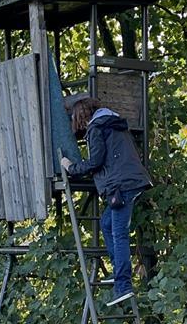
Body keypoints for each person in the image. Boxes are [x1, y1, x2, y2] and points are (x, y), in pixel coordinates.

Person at [60, 98, 153, 306]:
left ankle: (123, 285)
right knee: (107, 223)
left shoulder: (96, 128)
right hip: (130, 182)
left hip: (121, 187)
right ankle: (118, 274)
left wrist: (70, 166)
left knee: (118, 233)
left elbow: (95, 162)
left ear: (82, 117)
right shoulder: (112, 123)